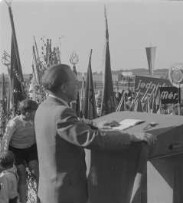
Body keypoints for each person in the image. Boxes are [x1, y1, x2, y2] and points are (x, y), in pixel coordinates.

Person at [34, 64, 156, 203]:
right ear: (63, 87)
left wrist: (94, 124)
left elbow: (69, 124)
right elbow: (93, 139)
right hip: (65, 194)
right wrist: (132, 137)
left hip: (49, 190)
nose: (78, 86)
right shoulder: (61, 113)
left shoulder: (44, 108)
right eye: (75, 82)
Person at [2, 99, 39, 203]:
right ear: (27, 112)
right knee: (22, 173)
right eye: (34, 111)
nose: (36, 113)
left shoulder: (35, 120)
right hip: (16, 150)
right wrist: (5, 155)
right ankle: (23, 200)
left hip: (30, 149)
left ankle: (40, 199)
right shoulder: (14, 123)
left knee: (36, 170)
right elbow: (6, 139)